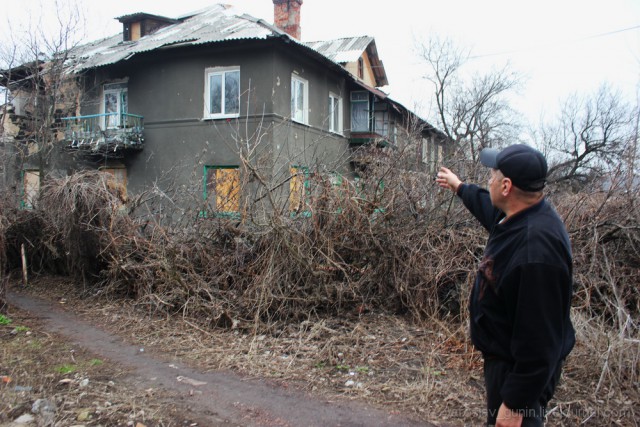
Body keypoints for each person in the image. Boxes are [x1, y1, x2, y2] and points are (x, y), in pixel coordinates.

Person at [436, 144, 575, 427]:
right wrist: (459, 187)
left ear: (507, 185)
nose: (489, 179)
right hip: (507, 363)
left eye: (493, 174)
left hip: (517, 371)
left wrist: (515, 403)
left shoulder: (536, 252)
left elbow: (540, 341)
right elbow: (489, 208)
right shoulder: (522, 216)